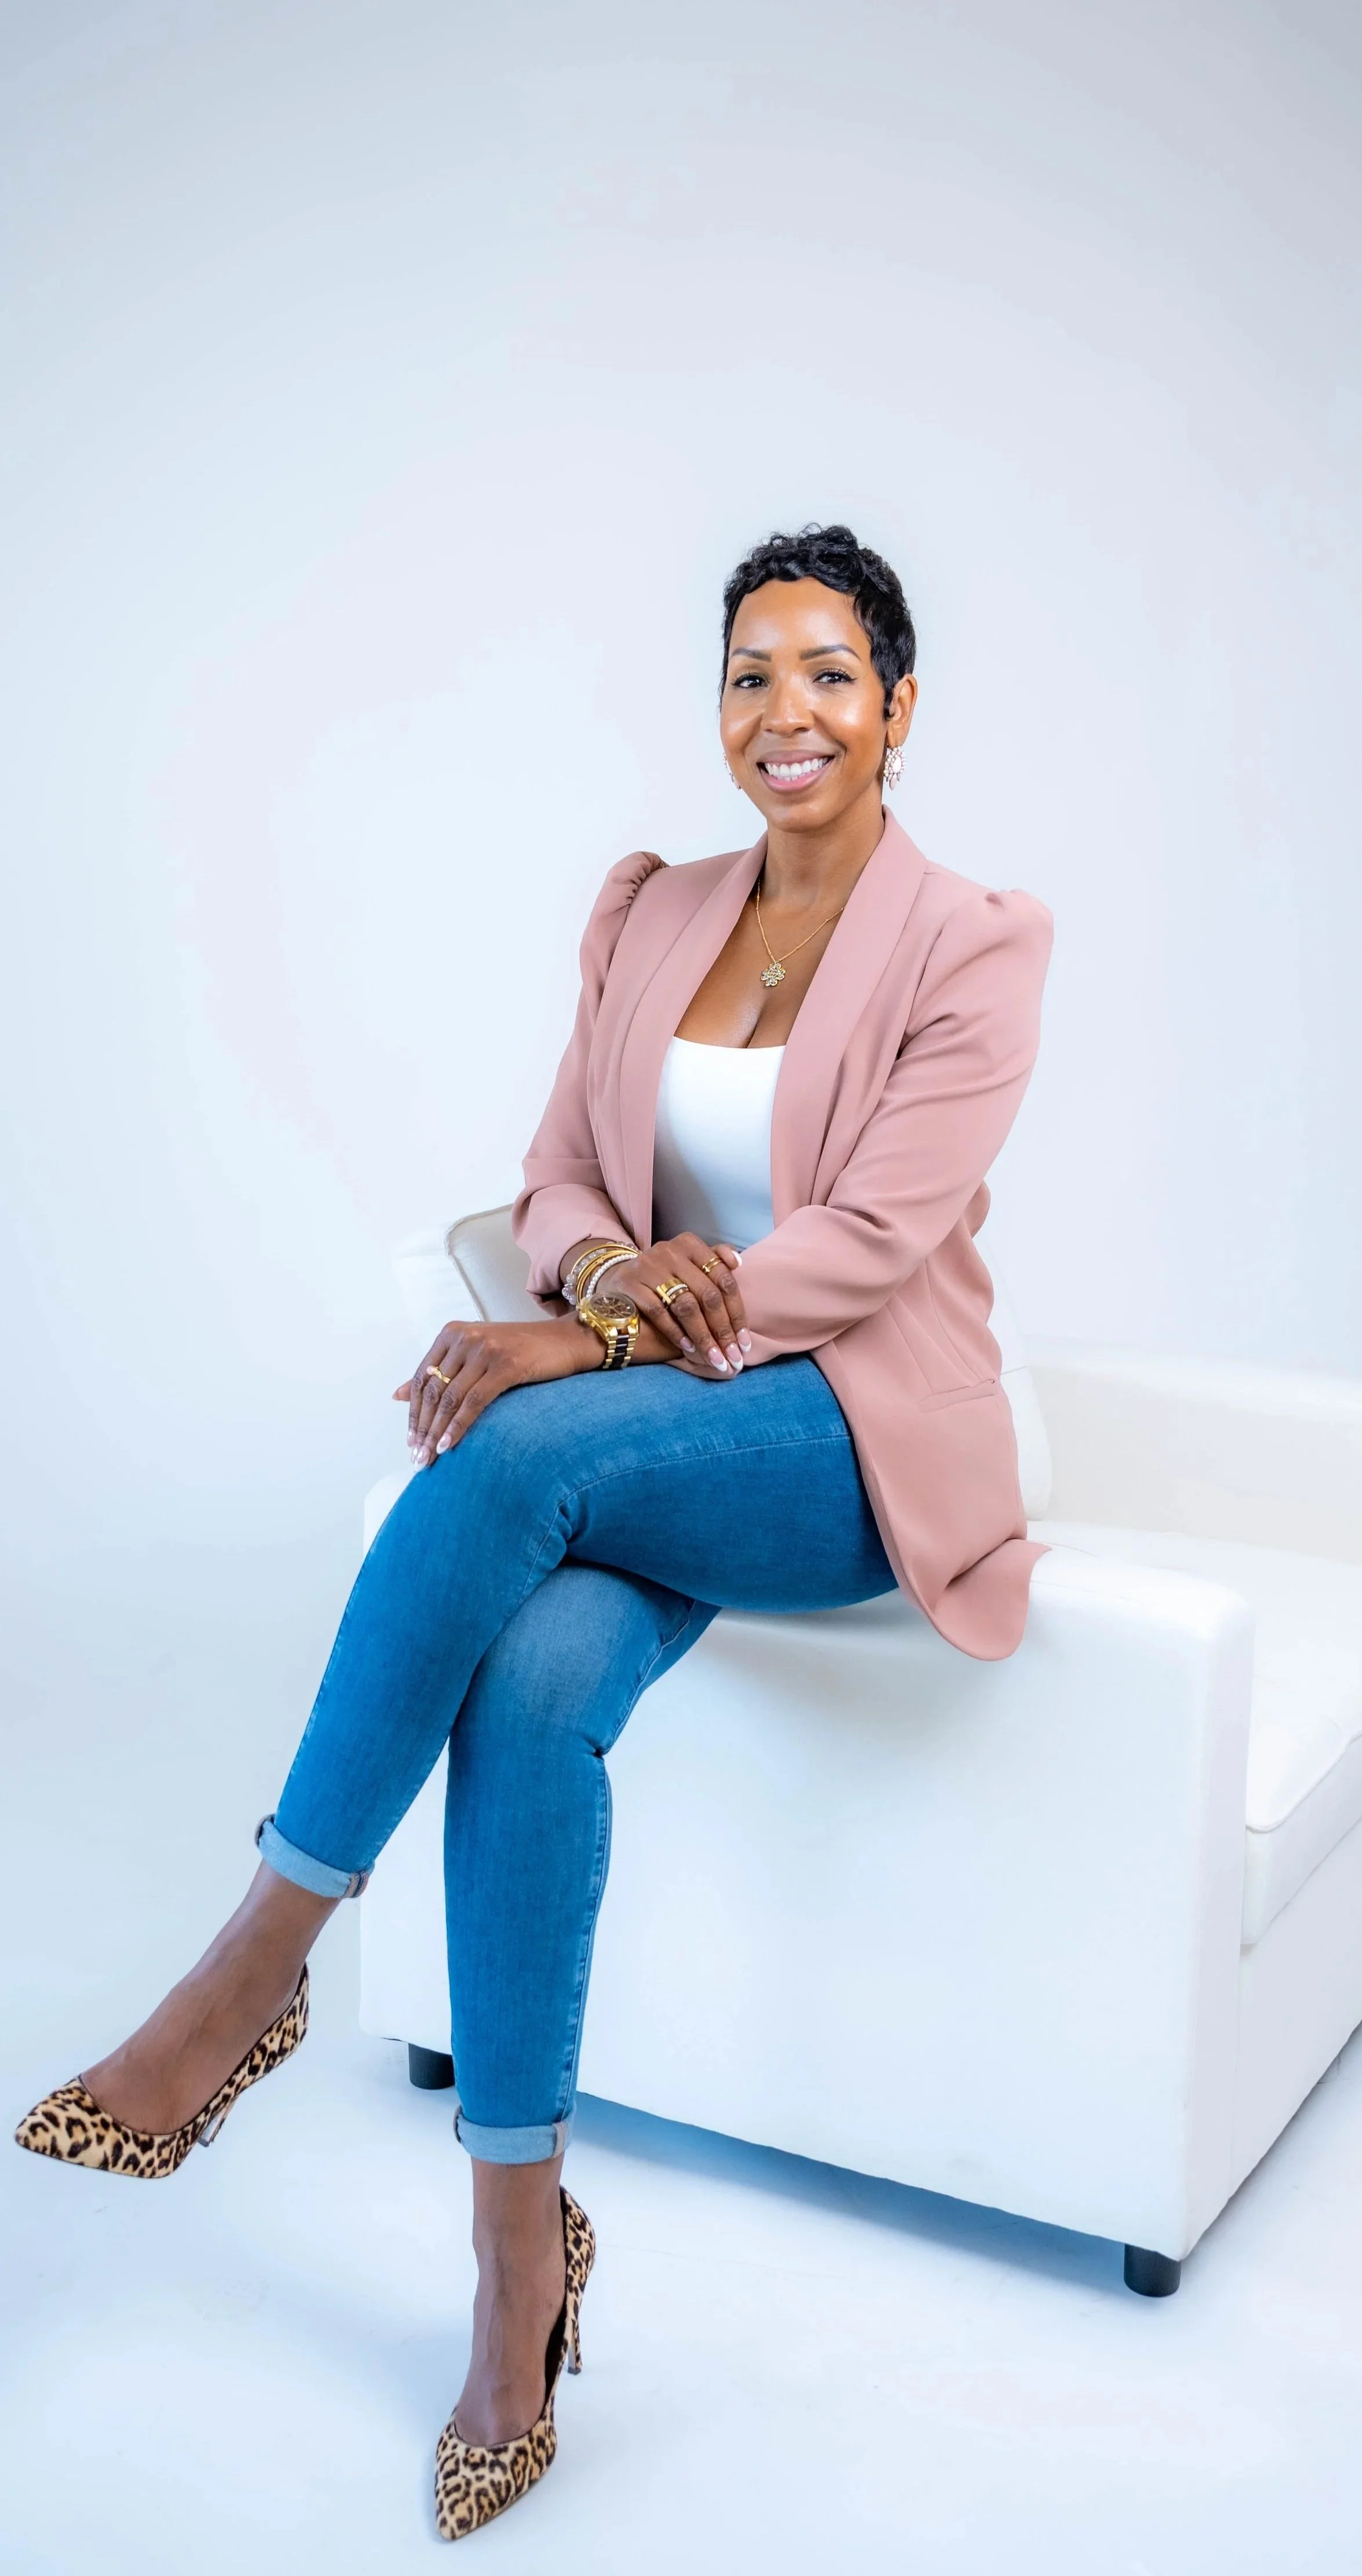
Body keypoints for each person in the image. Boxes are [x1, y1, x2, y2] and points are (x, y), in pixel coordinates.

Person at [16, 523, 1054, 2541]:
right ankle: (518, 2267)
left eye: (831, 673)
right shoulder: (649, 909)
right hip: (650, 1413)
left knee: (502, 1456)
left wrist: (649, 1318)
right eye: (752, 673)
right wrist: (602, 1290)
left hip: (837, 1436)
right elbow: (563, 1166)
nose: (788, 711)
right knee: (540, 1672)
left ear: (899, 709)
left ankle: (254, 1965)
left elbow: (871, 1241)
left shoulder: (974, 944)